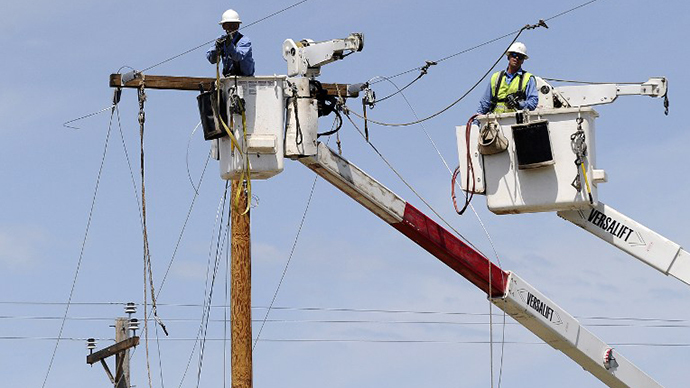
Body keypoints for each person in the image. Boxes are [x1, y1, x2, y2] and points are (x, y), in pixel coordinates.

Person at [477, 42, 538, 115]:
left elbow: (533, 102)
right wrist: (476, 122)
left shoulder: (528, 78)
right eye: (514, 55)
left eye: (520, 56)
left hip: (517, 122)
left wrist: (519, 104)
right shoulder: (496, 77)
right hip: (496, 122)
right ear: (508, 56)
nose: (517, 58)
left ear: (523, 61)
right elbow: (485, 102)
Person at [206, 9, 255, 77]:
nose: (231, 28)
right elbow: (212, 60)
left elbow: (238, 56)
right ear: (223, 26)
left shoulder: (244, 40)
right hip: (229, 77)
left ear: (238, 26)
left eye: (234, 25)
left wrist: (229, 45)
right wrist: (217, 49)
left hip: (245, 78)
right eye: (228, 25)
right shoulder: (221, 39)